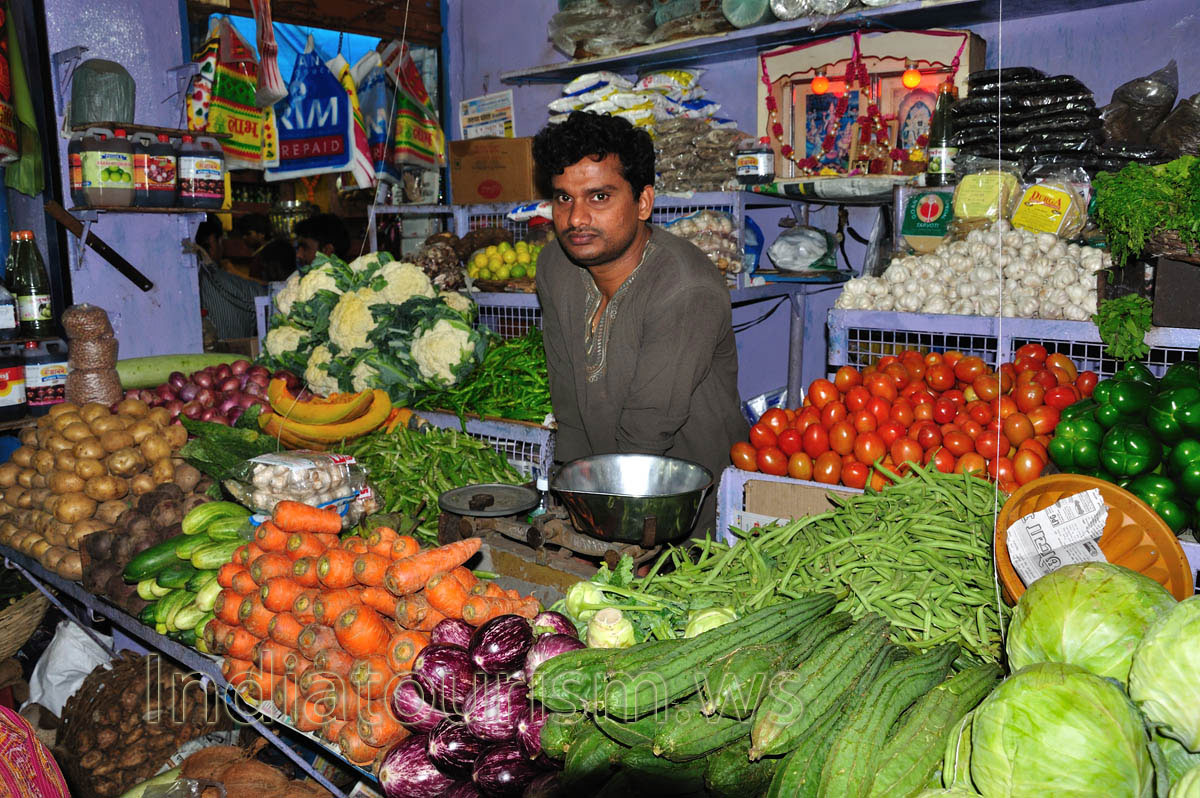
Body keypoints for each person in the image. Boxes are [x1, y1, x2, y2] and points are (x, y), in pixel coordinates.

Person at [532, 111, 748, 535]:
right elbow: (567, 403)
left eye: (599, 197)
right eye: (563, 198)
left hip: (691, 516)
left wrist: (621, 533)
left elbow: (648, 429)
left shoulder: (685, 287)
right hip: (602, 499)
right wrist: (574, 505)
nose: (576, 219)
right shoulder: (555, 266)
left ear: (644, 202)